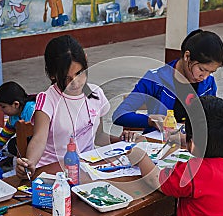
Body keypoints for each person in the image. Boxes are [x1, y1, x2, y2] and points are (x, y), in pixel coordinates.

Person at [16, 34, 136, 176]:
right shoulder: (47, 100)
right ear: (52, 75)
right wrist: (29, 163)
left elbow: (98, 136)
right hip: (54, 172)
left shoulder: (95, 94)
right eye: (67, 78)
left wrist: (121, 140)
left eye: (79, 73)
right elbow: (39, 140)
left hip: (87, 169)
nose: (76, 82)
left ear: (85, 61)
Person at [112, 29, 223, 134]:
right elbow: (120, 115)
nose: (204, 77)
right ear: (187, 56)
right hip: (158, 146)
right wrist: (150, 121)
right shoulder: (155, 80)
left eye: (210, 72)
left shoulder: (208, 84)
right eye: (202, 69)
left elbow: (212, 116)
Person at [0, 81, 36, 159]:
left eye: (3, 107)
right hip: (32, 142)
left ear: (16, 104)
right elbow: (1, 139)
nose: (1, 110)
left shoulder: (33, 111)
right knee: (13, 145)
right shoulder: (13, 119)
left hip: (45, 144)